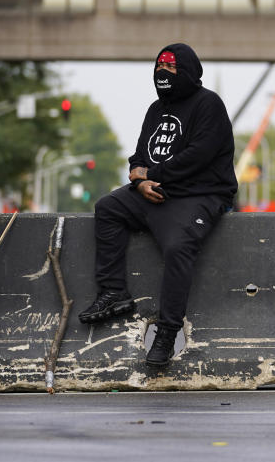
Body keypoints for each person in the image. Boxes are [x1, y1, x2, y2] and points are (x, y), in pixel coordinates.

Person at [78, 43, 237, 366]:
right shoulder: (156, 108)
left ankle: (167, 332)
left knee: (179, 247)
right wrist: (140, 181)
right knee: (108, 207)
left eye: (171, 67)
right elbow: (139, 156)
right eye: (158, 67)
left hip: (200, 194)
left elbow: (198, 155)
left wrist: (152, 175)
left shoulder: (209, 104)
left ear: (188, 71)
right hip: (155, 190)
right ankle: (114, 293)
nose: (162, 73)